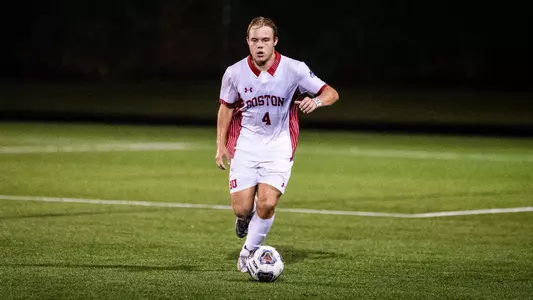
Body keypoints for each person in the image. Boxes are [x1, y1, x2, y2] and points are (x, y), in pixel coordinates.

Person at [215, 16, 339, 272]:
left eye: (265, 40)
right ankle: (244, 218)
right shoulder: (234, 72)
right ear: (247, 42)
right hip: (246, 144)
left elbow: (331, 93)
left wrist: (315, 102)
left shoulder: (294, 69)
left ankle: (248, 252)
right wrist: (220, 145)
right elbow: (225, 109)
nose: (260, 46)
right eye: (254, 40)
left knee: (267, 202)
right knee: (242, 208)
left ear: (275, 42)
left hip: (279, 145)